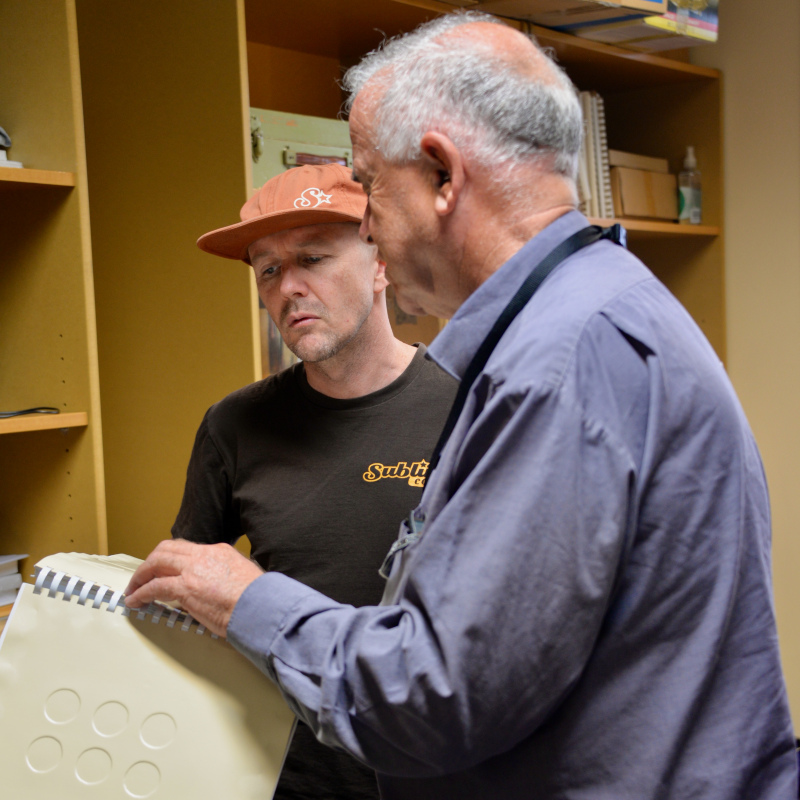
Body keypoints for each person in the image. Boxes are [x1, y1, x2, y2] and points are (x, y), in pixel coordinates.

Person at [127, 12, 799, 800]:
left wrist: (248, 600)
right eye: (266, 270)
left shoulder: (560, 365)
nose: (370, 223)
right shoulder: (602, 312)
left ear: (443, 176)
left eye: (370, 184)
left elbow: (433, 700)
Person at [169, 162, 457, 800]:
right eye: (268, 269)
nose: (288, 287)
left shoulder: (470, 406)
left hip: (436, 772)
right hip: (285, 778)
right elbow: (187, 604)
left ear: (380, 260)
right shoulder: (233, 425)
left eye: (312, 258)